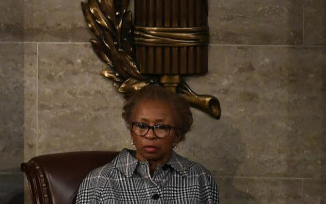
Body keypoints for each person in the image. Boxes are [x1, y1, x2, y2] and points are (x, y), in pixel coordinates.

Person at [75, 84, 219, 203]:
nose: (150, 135)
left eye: (161, 127)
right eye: (142, 126)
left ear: (177, 136)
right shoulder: (99, 180)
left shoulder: (199, 178)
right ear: (132, 131)